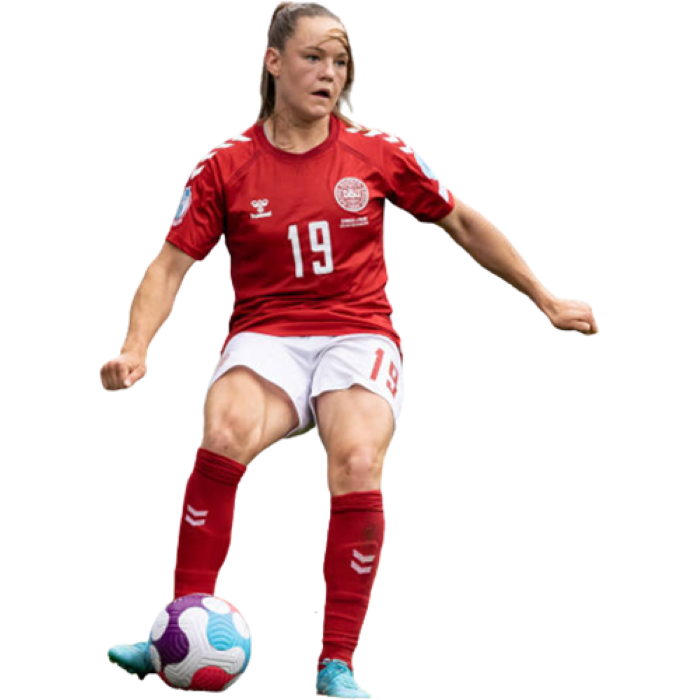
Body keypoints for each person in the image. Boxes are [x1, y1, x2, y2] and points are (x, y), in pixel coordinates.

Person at [103, 1, 599, 698]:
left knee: (358, 460)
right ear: (273, 62)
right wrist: (136, 347)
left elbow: (461, 222)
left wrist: (545, 298)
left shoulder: (379, 151)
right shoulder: (225, 165)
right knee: (225, 432)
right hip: (267, 335)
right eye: (313, 57)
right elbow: (169, 264)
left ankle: (336, 663)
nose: (329, 74)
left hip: (358, 334)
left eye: (340, 62)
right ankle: (174, 635)